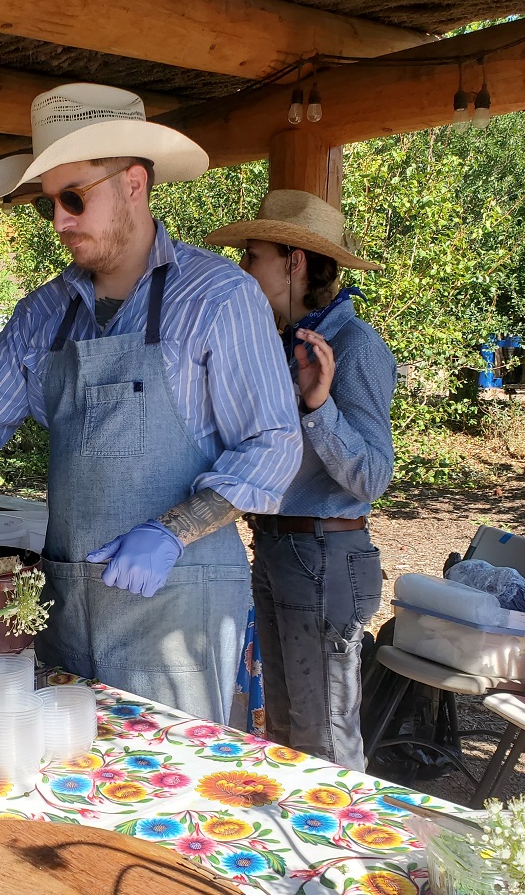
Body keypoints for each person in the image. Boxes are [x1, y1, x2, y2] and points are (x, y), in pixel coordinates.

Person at [0, 82, 301, 724]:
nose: (60, 221)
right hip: (68, 604)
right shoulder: (47, 311)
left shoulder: (218, 298)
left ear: (133, 183)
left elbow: (273, 445)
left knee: (164, 792)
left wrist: (170, 531)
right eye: (51, 205)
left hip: (177, 610)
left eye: (74, 198)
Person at [206, 189, 396, 770]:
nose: (244, 268)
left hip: (324, 551)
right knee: (286, 737)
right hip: (280, 548)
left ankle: (342, 860)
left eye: (254, 255)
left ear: (294, 262)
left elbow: (373, 475)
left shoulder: (356, 348)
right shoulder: (281, 343)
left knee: (326, 744)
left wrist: (319, 408)